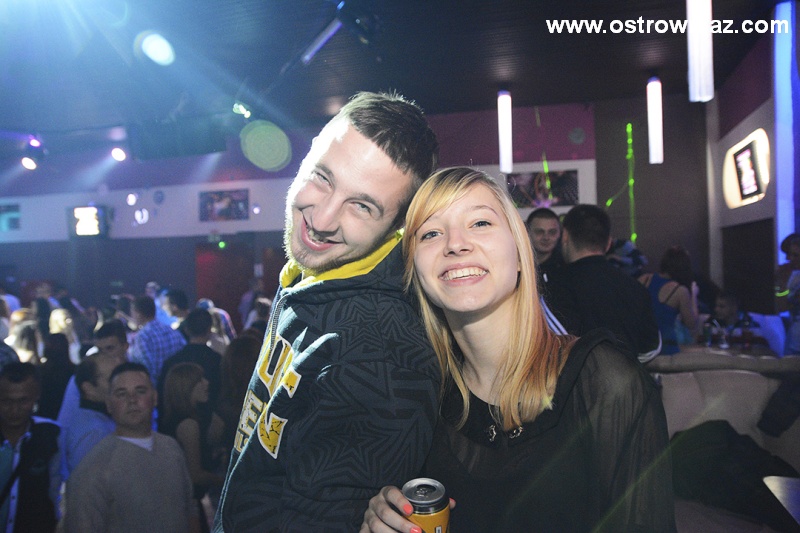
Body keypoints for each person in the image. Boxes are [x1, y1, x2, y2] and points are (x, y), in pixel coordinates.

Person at [360, 167, 675, 532]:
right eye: (430, 232)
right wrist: (384, 518)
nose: (455, 244)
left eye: (480, 223)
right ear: (415, 269)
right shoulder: (422, 397)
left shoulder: (604, 382)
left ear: (521, 253)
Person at [214, 91, 441, 532]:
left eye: (362, 206)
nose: (321, 220)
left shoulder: (376, 356)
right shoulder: (314, 276)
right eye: (322, 177)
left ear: (397, 227)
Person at [65, 362, 198, 533]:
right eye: (122, 394)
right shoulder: (94, 468)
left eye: (140, 391)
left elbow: (189, 509)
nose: (132, 400)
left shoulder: (171, 448)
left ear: (154, 398)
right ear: (109, 403)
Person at [543, 204, 662, 363]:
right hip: (629, 376)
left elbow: (558, 344)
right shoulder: (635, 287)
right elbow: (651, 348)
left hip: (578, 378)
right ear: (608, 243)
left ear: (565, 236)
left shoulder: (554, 288)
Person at [162, 362, 226, 532]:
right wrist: (227, 481)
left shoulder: (182, 419)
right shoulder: (188, 425)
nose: (207, 383)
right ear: (185, 387)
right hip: (192, 506)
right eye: (199, 380)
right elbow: (195, 475)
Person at [0, 362, 62, 533]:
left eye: (23, 401)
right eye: (6, 401)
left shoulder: (51, 436)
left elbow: (56, 492)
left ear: (36, 396)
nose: (14, 409)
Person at [157, 308, 222, 431]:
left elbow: (163, 398)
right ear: (209, 330)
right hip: (209, 425)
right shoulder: (218, 360)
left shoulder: (172, 362)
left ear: (186, 330)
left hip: (174, 426)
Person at [62, 354, 118, 477]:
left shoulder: (95, 422)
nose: (120, 384)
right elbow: (86, 481)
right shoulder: (95, 432)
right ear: (89, 388)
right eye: (112, 379)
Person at [638, 246, 700, 354]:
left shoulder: (644, 279)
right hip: (666, 347)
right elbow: (692, 324)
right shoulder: (680, 291)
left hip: (642, 345)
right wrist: (693, 294)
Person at [129, 295, 186, 385]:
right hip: (178, 385)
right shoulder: (172, 331)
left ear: (138, 314)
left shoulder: (143, 336)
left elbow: (146, 369)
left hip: (157, 388)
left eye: (132, 313)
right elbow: (184, 355)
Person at [775, 233, 800, 353]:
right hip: (794, 337)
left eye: (795, 255)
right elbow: (781, 307)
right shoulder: (793, 277)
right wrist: (781, 284)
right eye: (789, 254)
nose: (789, 259)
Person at [524, 207, 564, 281]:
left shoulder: (566, 269)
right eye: (539, 232)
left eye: (552, 232)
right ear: (527, 232)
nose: (546, 237)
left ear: (560, 233)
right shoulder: (519, 265)